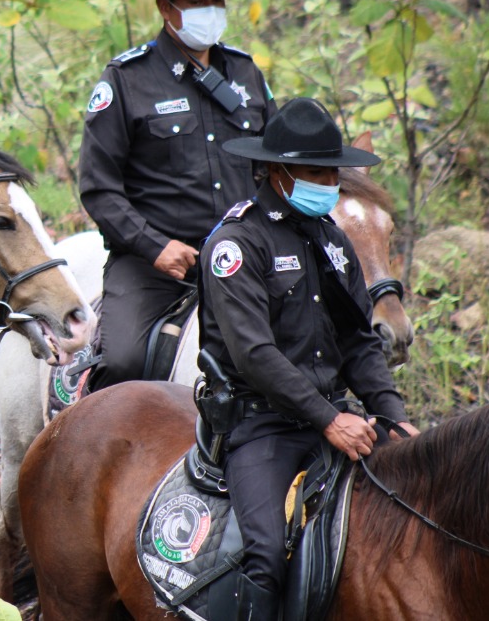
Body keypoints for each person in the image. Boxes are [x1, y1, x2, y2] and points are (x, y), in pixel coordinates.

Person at [197, 97, 419, 619]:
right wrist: (329, 419)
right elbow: (254, 354)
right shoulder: (236, 244)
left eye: (332, 172)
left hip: (338, 415)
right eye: (315, 172)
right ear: (278, 172)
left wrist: (394, 415)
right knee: (266, 553)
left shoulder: (333, 240)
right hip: (264, 426)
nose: (328, 183)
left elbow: (359, 341)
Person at [78, 0, 271, 389]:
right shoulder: (126, 80)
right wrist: (155, 247)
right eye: (196, 1)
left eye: (217, 0)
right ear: (166, 9)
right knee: (122, 364)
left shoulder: (245, 74)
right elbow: (98, 187)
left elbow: (271, 168)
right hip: (154, 267)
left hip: (244, 257)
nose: (210, 10)